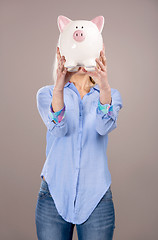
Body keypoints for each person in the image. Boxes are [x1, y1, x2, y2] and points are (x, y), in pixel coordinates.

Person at [35, 43, 123, 240]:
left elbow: (103, 127)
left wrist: (104, 85)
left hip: (96, 196)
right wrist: (59, 87)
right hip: (54, 194)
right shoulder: (47, 93)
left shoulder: (110, 95)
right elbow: (58, 130)